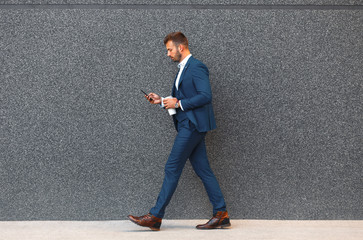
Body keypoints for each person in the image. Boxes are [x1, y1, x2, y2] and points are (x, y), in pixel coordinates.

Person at [128, 32, 230, 231]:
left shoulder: (197, 67)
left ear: (180, 47)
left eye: (169, 49)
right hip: (188, 125)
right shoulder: (182, 69)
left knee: (172, 167)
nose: (167, 53)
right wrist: (161, 101)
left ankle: (155, 216)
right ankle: (221, 213)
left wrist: (179, 102)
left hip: (192, 126)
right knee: (203, 170)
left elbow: (205, 96)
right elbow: (181, 100)